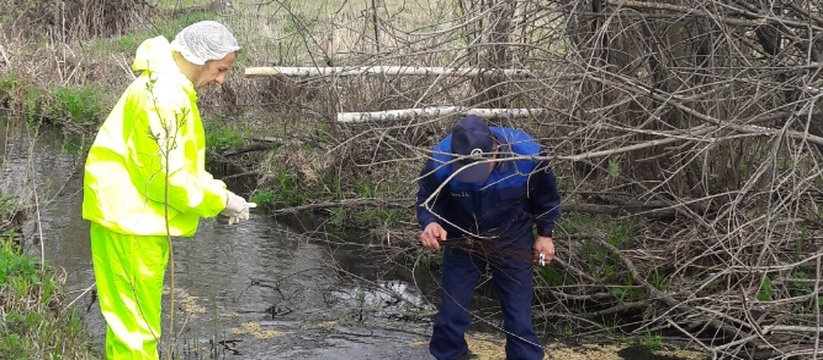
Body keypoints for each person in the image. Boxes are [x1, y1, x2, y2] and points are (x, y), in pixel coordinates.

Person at [82, 21, 255, 359]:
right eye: (221, 69)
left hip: (132, 217)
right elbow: (165, 179)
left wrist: (219, 192)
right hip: (132, 222)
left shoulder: (167, 86)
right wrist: (220, 200)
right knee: (136, 330)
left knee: (131, 323)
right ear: (202, 57)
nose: (222, 79)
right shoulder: (164, 97)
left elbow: (179, 164)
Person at [415, 115, 561, 360]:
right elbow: (427, 201)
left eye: (480, 168)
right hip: (462, 239)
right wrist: (430, 223)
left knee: (518, 320)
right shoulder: (439, 160)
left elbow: (546, 198)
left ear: (496, 150)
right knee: (451, 317)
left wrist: (545, 234)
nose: (477, 177)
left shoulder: (528, 155)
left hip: (512, 236)